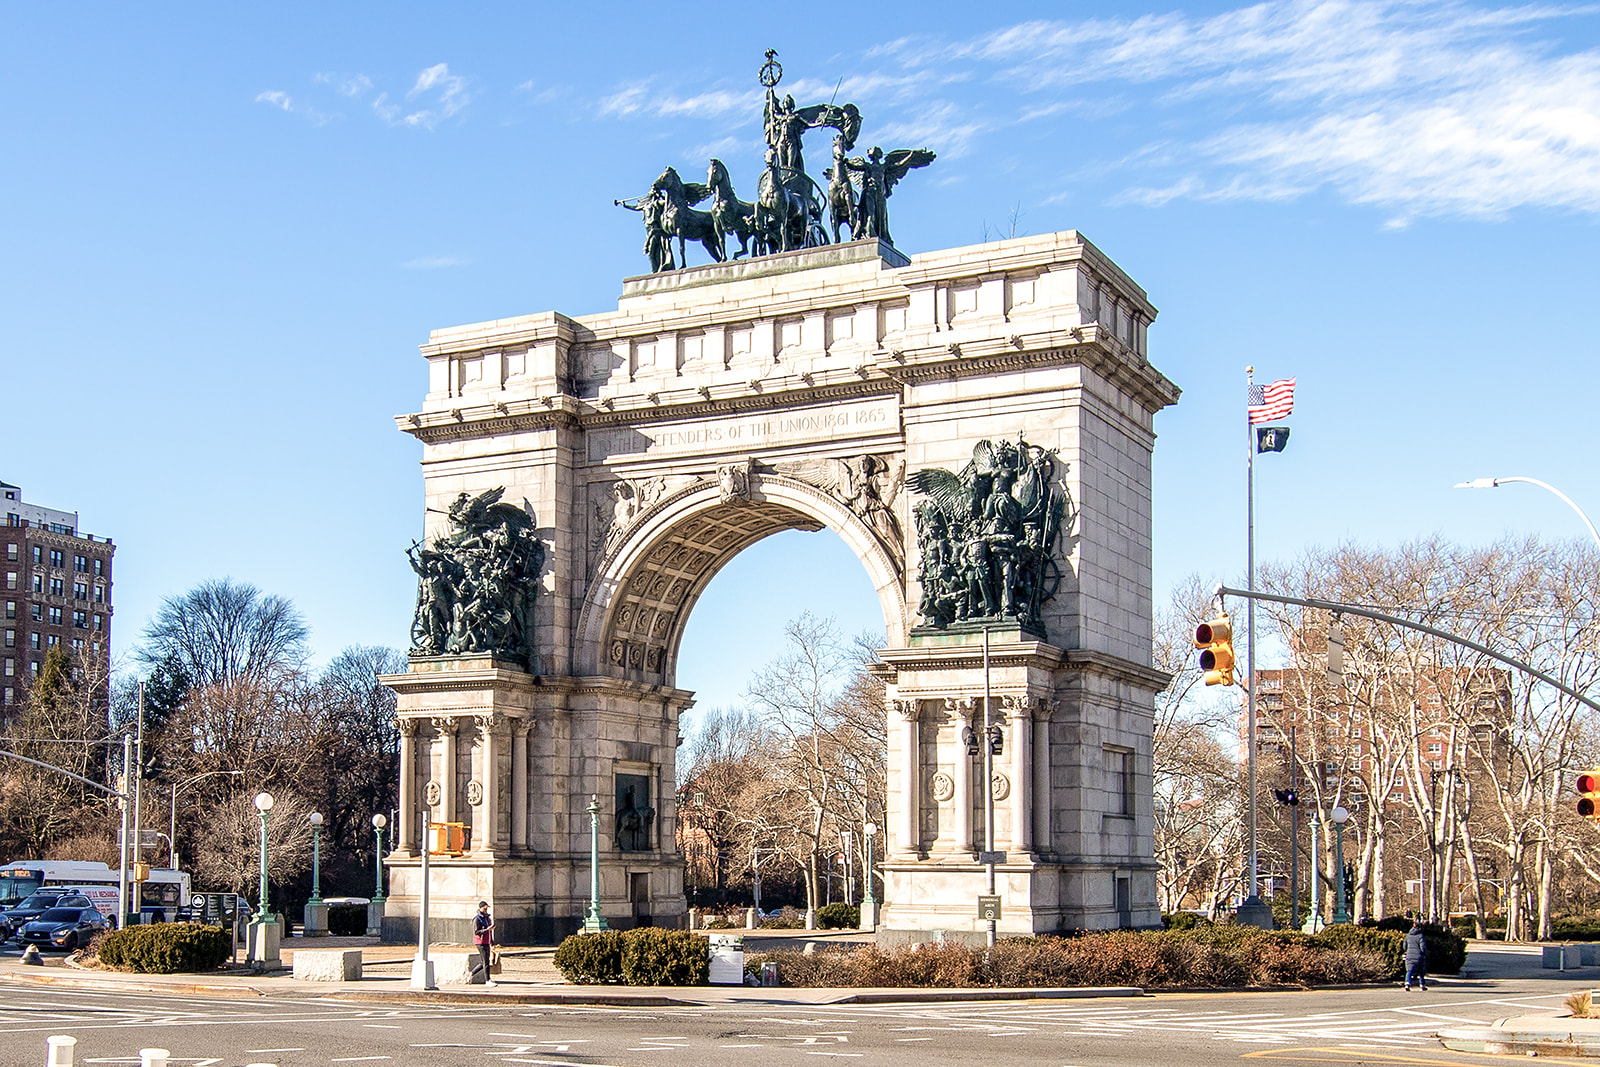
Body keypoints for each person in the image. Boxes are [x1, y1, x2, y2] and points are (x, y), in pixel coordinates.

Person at [473, 900, 496, 987]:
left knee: (484, 961)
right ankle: (488, 980)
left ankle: (471, 973)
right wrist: (487, 930)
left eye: (487, 908)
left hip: (486, 941)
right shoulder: (477, 919)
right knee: (485, 961)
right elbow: (476, 931)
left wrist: (492, 943)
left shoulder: (487, 918)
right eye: (484, 908)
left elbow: (490, 933)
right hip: (480, 942)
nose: (486, 910)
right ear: (480, 908)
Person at [1404, 919, 1428, 991]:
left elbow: (1404, 945)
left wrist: (1406, 951)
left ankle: (1407, 984)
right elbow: (1423, 947)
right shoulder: (1420, 936)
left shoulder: (1408, 936)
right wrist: (1424, 953)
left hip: (1409, 956)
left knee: (1409, 971)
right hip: (1418, 956)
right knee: (1420, 971)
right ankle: (1422, 985)